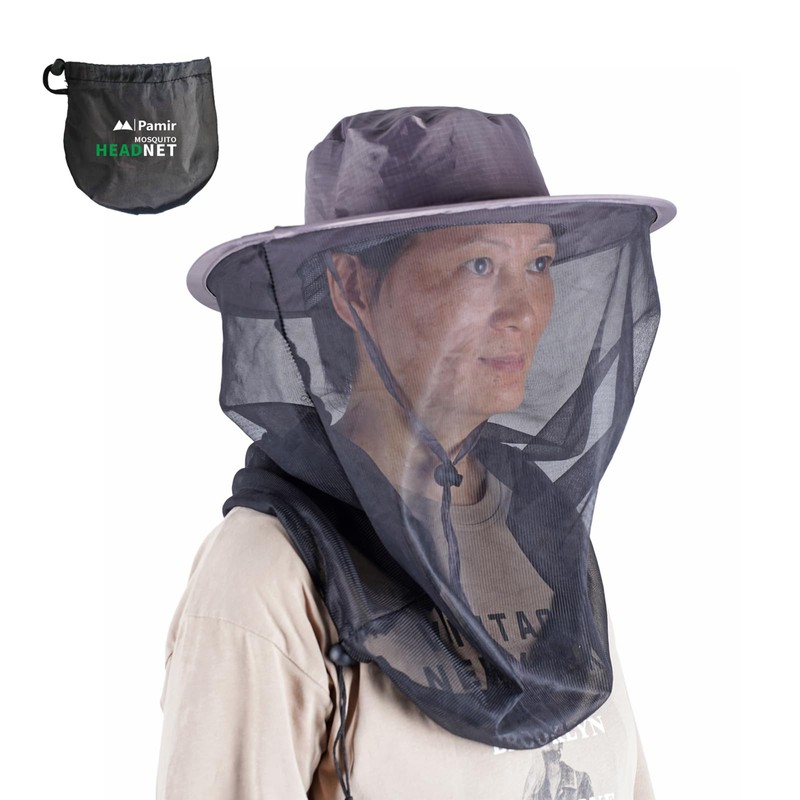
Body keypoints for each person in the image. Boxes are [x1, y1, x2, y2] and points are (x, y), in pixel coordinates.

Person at [158, 107, 675, 799]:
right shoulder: (265, 575)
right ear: (351, 286)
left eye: (540, 263)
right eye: (479, 264)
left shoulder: (543, 533)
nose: (524, 310)